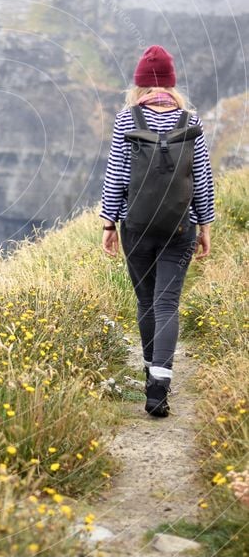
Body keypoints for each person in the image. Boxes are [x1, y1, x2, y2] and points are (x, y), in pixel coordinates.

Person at [99, 45, 215, 417]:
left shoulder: (126, 119)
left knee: (146, 301)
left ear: (139, 85)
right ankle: (158, 388)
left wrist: (108, 222)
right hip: (180, 227)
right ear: (171, 83)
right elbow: (202, 179)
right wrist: (204, 224)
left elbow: (116, 173)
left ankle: (151, 372)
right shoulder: (190, 119)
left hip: (136, 226)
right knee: (167, 303)